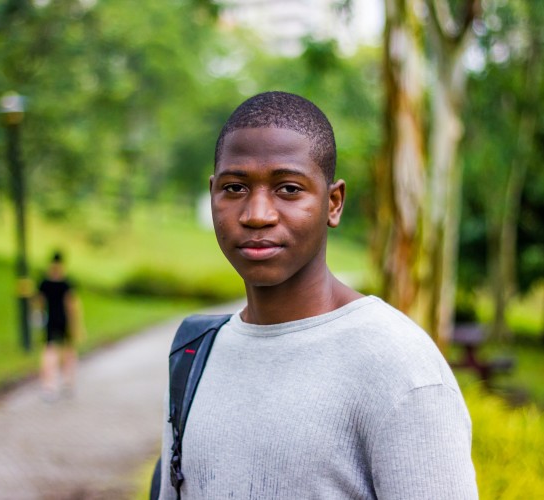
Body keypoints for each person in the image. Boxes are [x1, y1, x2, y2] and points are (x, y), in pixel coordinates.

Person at [157, 91, 478, 499]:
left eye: (288, 189)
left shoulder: (398, 366)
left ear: (333, 202)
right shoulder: (195, 354)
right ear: (213, 193)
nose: (257, 214)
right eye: (235, 187)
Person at [35, 251, 83, 401]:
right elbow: (72, 305)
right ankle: (68, 382)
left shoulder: (44, 282)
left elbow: (39, 302)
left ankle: (49, 386)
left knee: (49, 351)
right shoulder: (66, 283)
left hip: (50, 321)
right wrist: (77, 325)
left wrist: (39, 315)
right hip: (64, 321)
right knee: (68, 351)